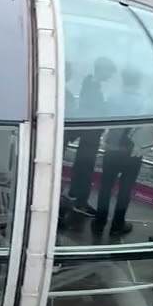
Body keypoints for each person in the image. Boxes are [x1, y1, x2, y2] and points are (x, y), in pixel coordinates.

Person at [93, 68, 153, 238]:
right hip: (133, 153)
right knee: (125, 189)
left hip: (112, 150)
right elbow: (148, 129)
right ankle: (117, 224)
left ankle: (99, 221)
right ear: (139, 81)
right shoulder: (146, 103)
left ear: (123, 80)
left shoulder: (113, 97)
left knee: (105, 186)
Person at [67, 57, 116, 217]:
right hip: (91, 134)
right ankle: (80, 202)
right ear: (101, 69)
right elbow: (93, 110)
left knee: (82, 164)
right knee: (86, 167)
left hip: (87, 132)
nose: (110, 76)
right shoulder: (92, 88)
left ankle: (74, 194)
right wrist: (106, 107)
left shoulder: (88, 84)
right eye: (109, 71)